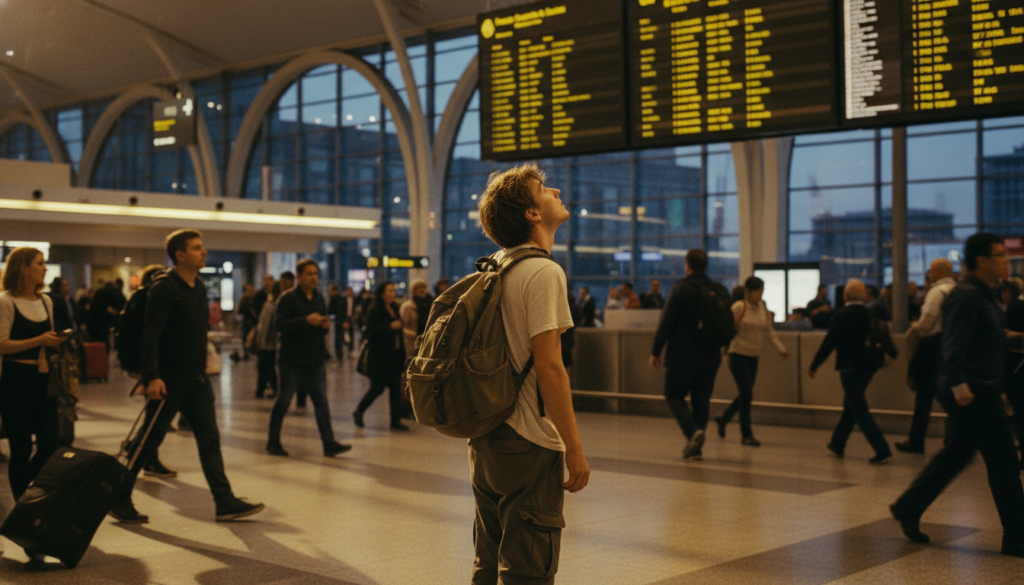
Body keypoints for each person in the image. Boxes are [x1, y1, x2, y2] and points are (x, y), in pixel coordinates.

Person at [470, 163, 590, 584]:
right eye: (543, 189)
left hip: (488, 436)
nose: (555, 190)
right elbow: (550, 367)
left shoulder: (496, 267)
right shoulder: (543, 272)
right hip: (527, 442)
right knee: (528, 571)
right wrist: (573, 447)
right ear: (531, 215)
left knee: (488, 561)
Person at [109, 229, 263, 523]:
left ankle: (224, 500)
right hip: (170, 379)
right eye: (196, 248)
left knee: (209, 438)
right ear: (180, 255)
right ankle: (119, 495)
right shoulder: (165, 288)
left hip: (196, 378)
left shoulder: (198, 286)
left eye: (202, 247)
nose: (204, 252)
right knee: (148, 440)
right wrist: (152, 376)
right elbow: (150, 336)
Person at [891, 233, 1024, 557]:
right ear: (982, 260)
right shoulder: (965, 295)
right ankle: (1016, 538)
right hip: (973, 391)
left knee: (958, 453)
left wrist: (1015, 338)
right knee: (1004, 460)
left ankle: (908, 506)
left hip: (981, 387)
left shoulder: (984, 295)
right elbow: (953, 346)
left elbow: (990, 336)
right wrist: (960, 387)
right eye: (999, 255)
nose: (1005, 260)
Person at [265, 260, 351, 458]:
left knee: (321, 401)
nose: (313, 278)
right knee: (284, 401)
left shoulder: (319, 298)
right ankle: (273, 441)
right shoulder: (287, 298)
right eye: (309, 274)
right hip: (291, 359)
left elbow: (322, 325)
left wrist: (324, 325)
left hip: (314, 359)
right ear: (299, 277)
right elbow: (279, 325)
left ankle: (329, 443)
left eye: (315, 274)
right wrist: (306, 320)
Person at [650, 248, 728, 461]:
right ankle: (695, 448)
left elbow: (666, 322)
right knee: (701, 400)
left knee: (673, 394)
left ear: (688, 265)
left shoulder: (681, 289)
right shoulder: (717, 288)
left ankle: (693, 433)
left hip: (682, 355)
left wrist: (656, 351)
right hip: (711, 356)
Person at [0, 247, 64, 500]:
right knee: (21, 445)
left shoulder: (46, 301)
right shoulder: (5, 301)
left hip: (43, 378)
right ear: (23, 268)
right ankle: (21, 503)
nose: (45, 268)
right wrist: (39, 340)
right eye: (39, 263)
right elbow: (2, 344)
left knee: (50, 443)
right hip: (14, 379)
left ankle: (27, 486)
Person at [809, 279, 895, 464]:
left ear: (846, 296)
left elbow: (829, 342)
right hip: (869, 367)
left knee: (858, 408)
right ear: (863, 296)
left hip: (849, 367)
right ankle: (837, 444)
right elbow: (883, 335)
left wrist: (815, 364)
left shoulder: (843, 315)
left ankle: (882, 449)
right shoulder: (870, 314)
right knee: (851, 404)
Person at [714, 276, 788, 447]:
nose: (760, 295)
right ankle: (746, 434)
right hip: (737, 355)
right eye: (757, 292)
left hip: (753, 357)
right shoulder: (738, 307)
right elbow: (725, 327)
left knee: (745, 395)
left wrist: (780, 348)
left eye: (762, 292)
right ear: (748, 291)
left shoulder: (762, 307)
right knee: (747, 395)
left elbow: (769, 331)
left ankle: (723, 418)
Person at [896, 258, 956, 454]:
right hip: (951, 345)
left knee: (925, 394)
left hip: (933, 348)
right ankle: (951, 436)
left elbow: (927, 321)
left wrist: (916, 328)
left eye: (930, 271)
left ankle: (916, 440)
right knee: (948, 392)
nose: (929, 274)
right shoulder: (956, 291)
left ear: (938, 271)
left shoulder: (937, 292)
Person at [353, 282, 409, 431]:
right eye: (389, 291)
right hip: (380, 357)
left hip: (395, 355)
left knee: (395, 388)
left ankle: (395, 420)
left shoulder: (394, 308)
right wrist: (389, 327)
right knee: (377, 388)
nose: (393, 293)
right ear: (382, 294)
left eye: (393, 290)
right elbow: (371, 331)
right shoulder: (375, 310)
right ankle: (359, 410)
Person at [253, 281, 282, 400]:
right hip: (273, 342)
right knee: (267, 366)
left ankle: (264, 390)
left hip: (267, 343)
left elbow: (264, 325)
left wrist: (260, 342)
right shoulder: (277, 304)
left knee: (264, 366)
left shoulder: (269, 305)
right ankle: (262, 390)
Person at [400, 279, 427, 359]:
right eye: (419, 288)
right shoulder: (408, 306)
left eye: (424, 287)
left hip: (425, 343)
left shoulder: (428, 305)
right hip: (411, 343)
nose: (422, 290)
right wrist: (414, 334)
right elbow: (402, 326)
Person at [328, 284, 358, 357]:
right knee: (340, 336)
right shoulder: (341, 299)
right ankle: (339, 352)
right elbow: (340, 310)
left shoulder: (354, 299)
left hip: (350, 319)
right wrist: (343, 320)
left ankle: (350, 350)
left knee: (350, 335)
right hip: (342, 320)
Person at [236, 283, 256, 360]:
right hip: (246, 319)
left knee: (250, 337)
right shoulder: (244, 298)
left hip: (252, 320)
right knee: (245, 336)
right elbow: (240, 309)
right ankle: (246, 352)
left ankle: (250, 351)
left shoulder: (254, 298)